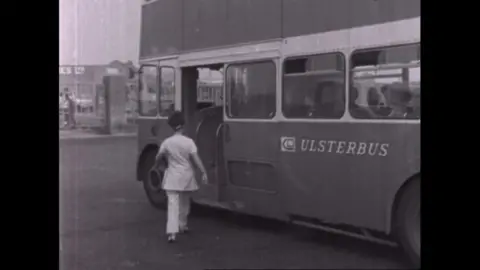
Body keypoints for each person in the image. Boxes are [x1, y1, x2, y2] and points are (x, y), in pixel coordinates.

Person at [154, 111, 208, 243]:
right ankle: (183, 225)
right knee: (185, 202)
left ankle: (172, 233)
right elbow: (196, 159)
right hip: (187, 176)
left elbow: (158, 157)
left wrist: (156, 165)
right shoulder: (189, 142)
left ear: (172, 127)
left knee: (173, 204)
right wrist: (204, 172)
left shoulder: (167, 142)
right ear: (183, 126)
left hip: (172, 176)